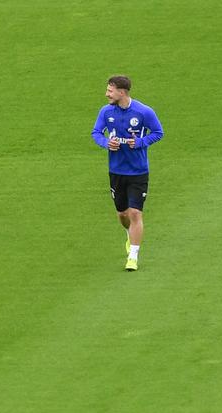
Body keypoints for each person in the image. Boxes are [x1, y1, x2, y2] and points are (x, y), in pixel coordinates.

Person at [91, 75, 164, 271]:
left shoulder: (144, 112)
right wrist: (107, 143)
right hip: (116, 170)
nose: (107, 94)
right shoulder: (106, 112)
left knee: (135, 212)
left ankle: (133, 256)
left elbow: (158, 132)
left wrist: (140, 142)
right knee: (123, 214)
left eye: (110, 90)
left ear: (121, 92)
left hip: (138, 171)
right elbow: (96, 133)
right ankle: (129, 234)